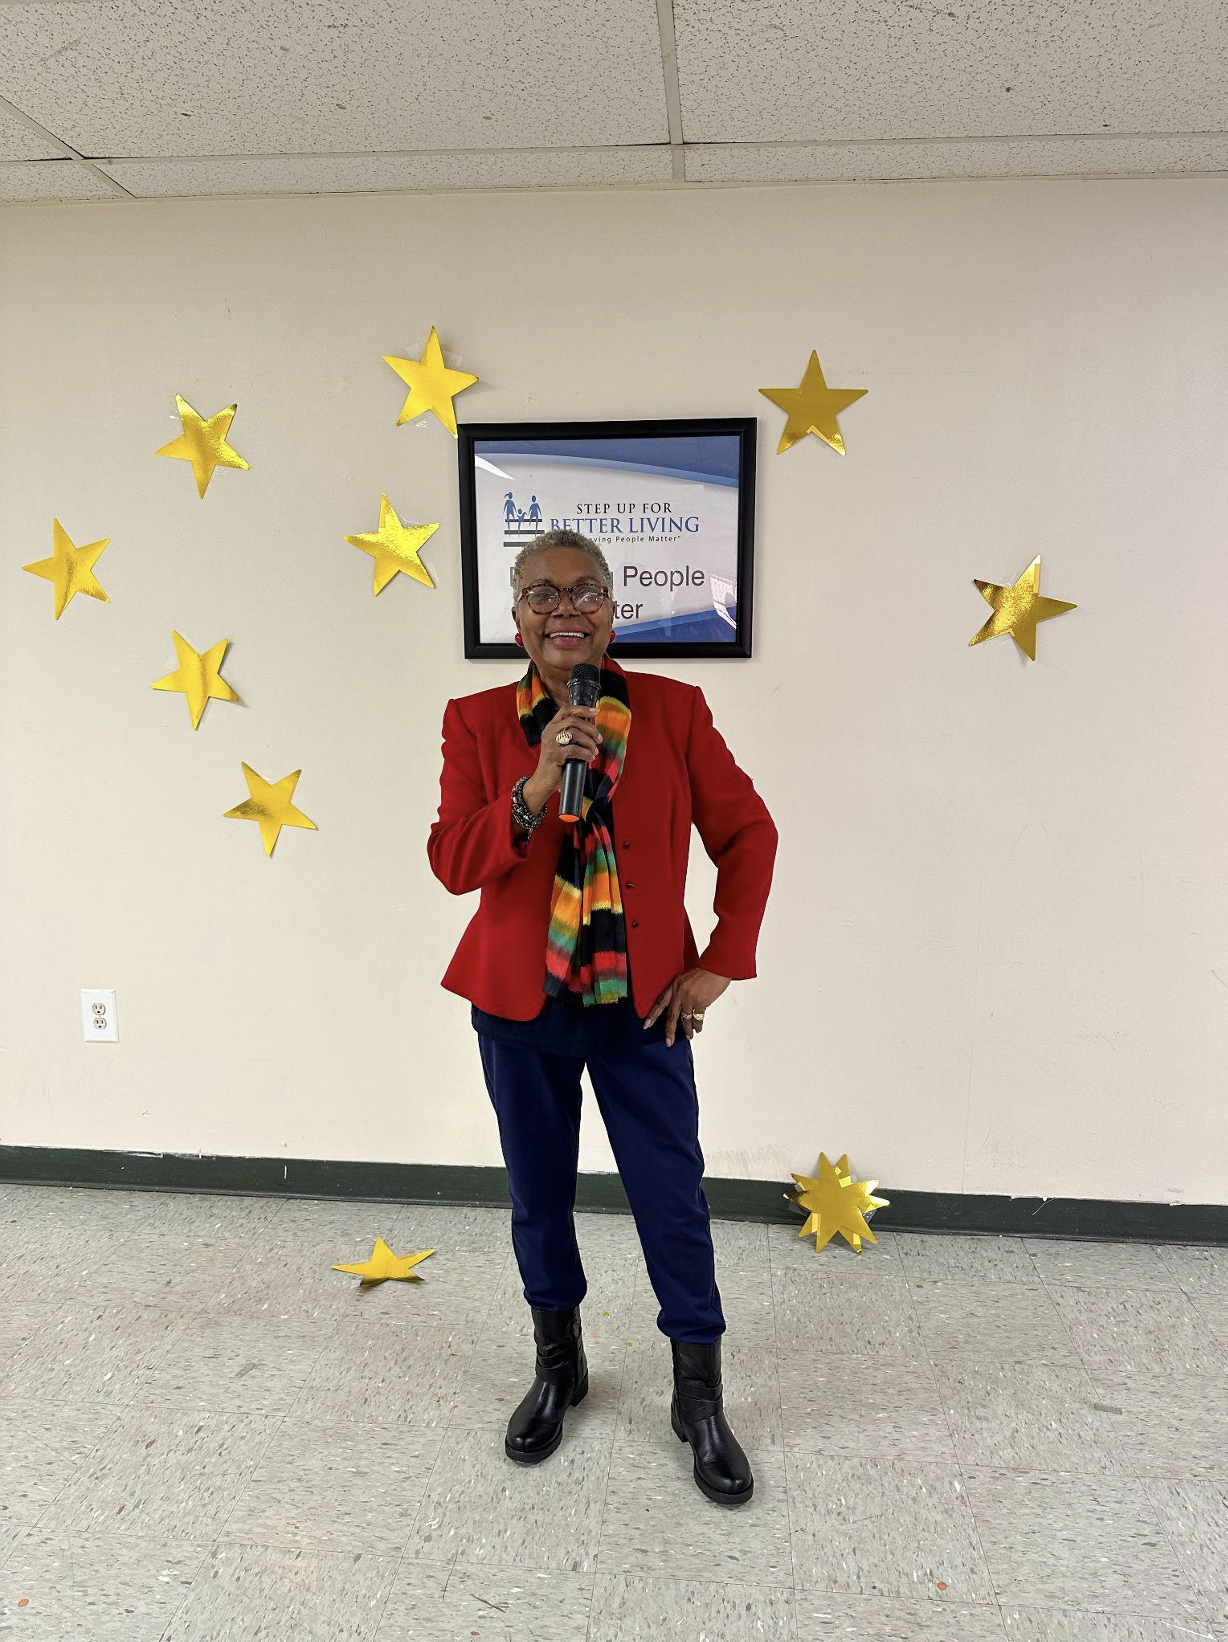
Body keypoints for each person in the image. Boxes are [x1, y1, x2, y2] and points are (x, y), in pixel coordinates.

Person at [427, 528, 777, 1505]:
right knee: (539, 1195)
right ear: (517, 619)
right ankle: (558, 1364)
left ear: (613, 612)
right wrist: (534, 787)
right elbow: (453, 859)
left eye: (584, 591)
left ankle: (697, 1396)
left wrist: (717, 964)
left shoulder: (671, 710)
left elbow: (748, 831)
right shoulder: (474, 721)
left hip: (643, 1006)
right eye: (543, 593)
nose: (564, 607)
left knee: (671, 1196)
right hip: (519, 1005)